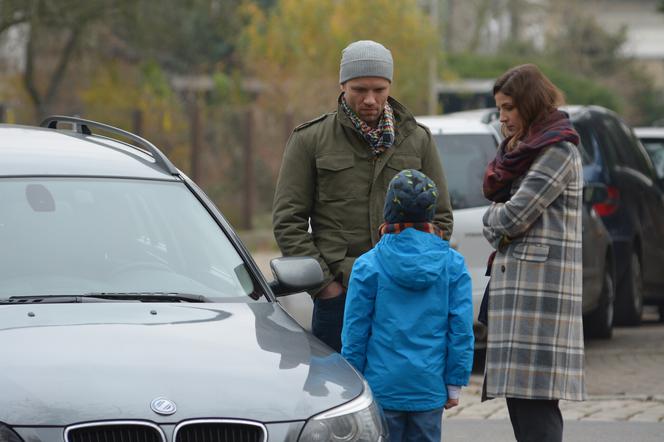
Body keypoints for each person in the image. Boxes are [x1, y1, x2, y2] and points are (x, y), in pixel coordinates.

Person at [272, 40, 453, 352]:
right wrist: (325, 287)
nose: (370, 99)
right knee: (337, 394)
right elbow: (288, 220)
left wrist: (416, 271)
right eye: (359, 89)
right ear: (342, 85)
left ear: (389, 86)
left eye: (379, 90)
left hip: (404, 296)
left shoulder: (417, 140)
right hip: (340, 298)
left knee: (403, 394)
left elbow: (441, 219)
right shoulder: (310, 140)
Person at [482, 64, 585, 442]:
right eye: (499, 109)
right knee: (520, 403)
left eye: (509, 107)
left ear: (530, 103)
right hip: (518, 297)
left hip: (541, 299)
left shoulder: (557, 150)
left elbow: (512, 216)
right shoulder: (522, 151)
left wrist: (490, 218)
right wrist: (498, 221)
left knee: (537, 408)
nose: (503, 118)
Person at [341, 169, 474, 442]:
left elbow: (355, 331)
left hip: (382, 388)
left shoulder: (367, 265)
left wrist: (353, 381)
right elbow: (460, 330)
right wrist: (454, 384)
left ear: (389, 210)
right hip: (428, 388)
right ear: (430, 213)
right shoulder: (453, 265)